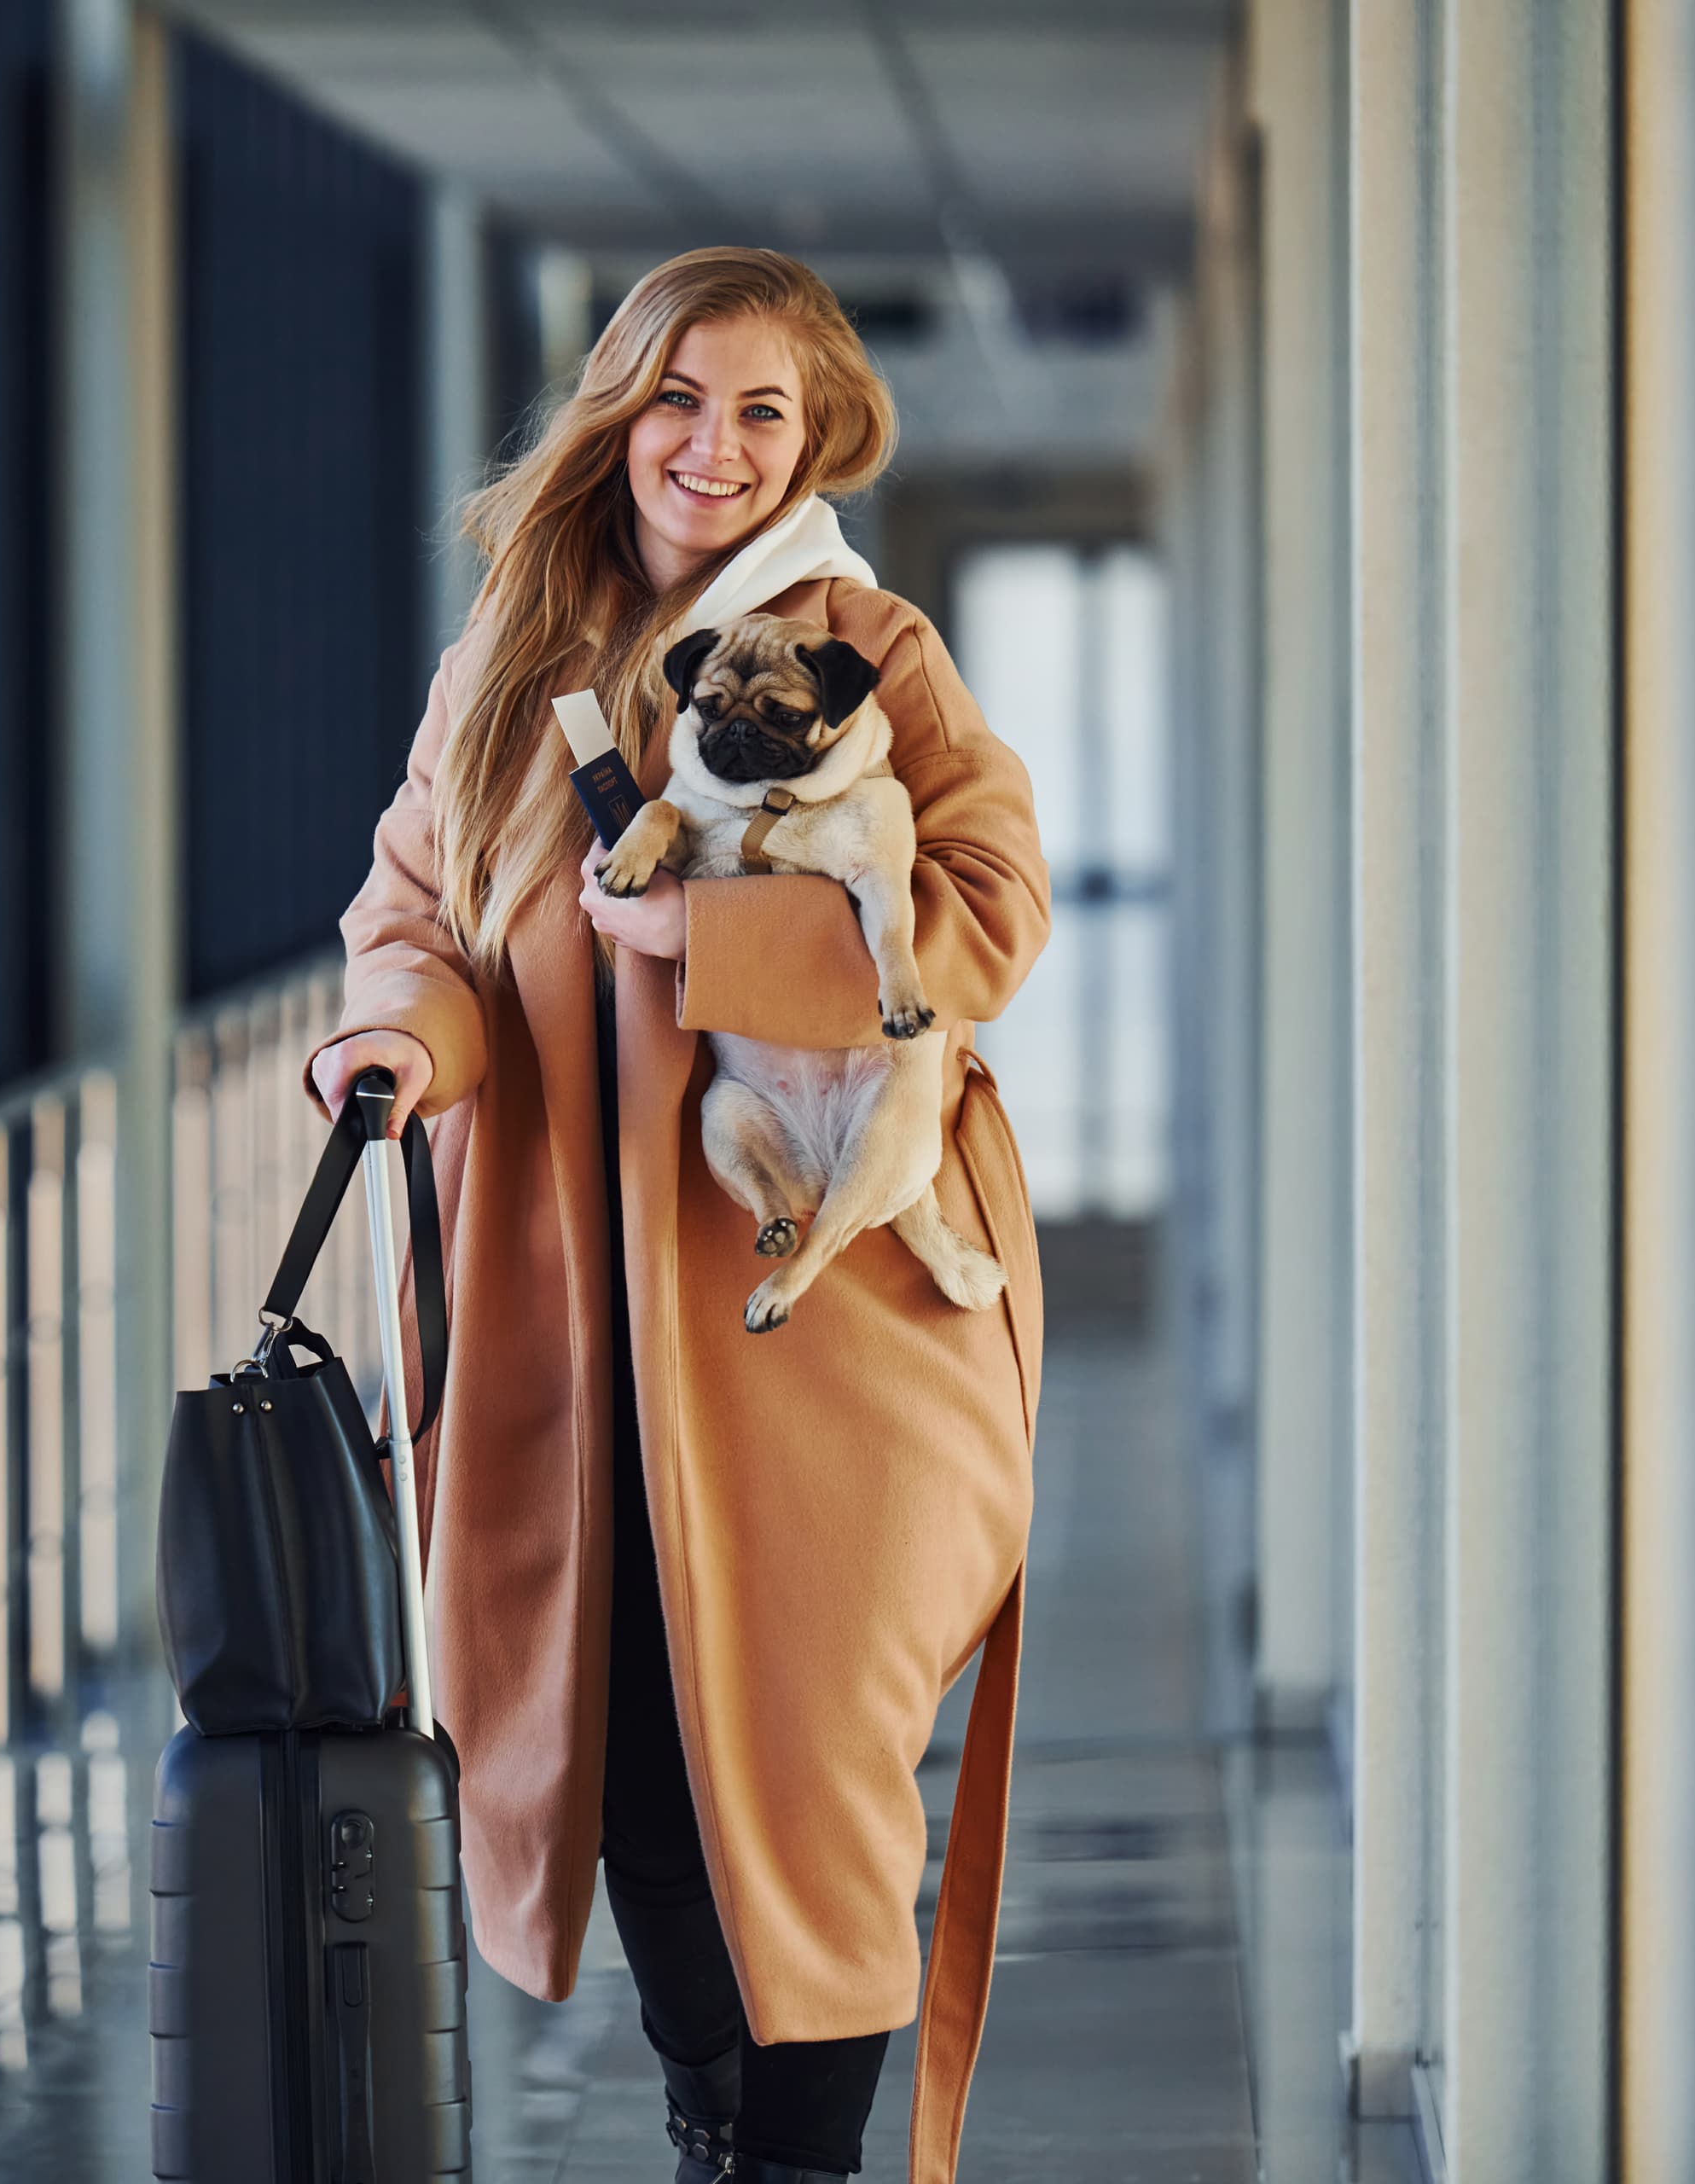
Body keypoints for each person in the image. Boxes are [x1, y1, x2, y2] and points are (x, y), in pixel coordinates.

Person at [305, 247, 1050, 2182]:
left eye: (763, 412)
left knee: (808, 1803)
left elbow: (983, 913)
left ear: (818, 441)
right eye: (676, 399)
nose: (711, 447)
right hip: (569, 1316)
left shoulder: (861, 640)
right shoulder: (509, 668)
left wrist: (713, 936)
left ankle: (789, 2163)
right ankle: (714, 2119)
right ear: (616, 411)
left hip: (823, 1318)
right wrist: (390, 1042)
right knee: (618, 1762)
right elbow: (412, 915)